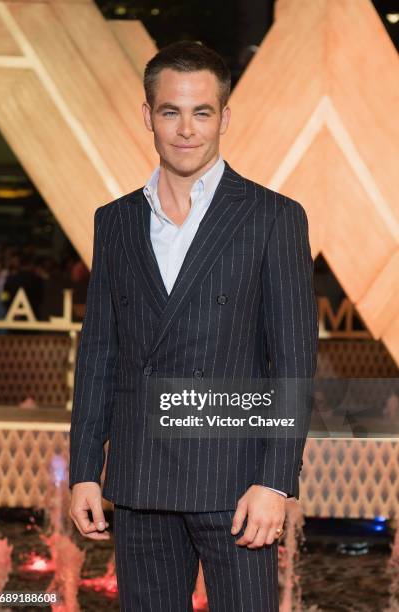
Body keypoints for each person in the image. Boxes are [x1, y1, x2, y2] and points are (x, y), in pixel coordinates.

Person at [69, 40, 318, 611]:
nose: (187, 129)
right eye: (170, 111)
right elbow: (99, 353)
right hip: (139, 482)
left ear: (224, 118)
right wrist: (85, 467)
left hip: (236, 484)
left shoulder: (272, 217)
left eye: (202, 112)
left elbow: (294, 361)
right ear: (147, 117)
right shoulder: (116, 221)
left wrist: (275, 482)